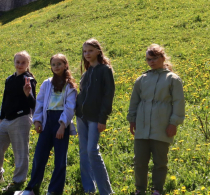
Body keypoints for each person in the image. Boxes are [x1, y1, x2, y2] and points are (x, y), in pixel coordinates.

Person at [127, 44, 185, 195]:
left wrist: (174, 123)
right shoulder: (142, 79)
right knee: (139, 161)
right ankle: (140, 189)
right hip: (142, 126)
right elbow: (134, 102)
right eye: (148, 59)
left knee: (160, 162)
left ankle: (157, 190)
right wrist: (132, 120)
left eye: (154, 58)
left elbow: (178, 103)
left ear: (162, 58)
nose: (151, 62)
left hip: (162, 126)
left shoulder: (173, 79)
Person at [23, 53, 77, 195]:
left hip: (61, 122)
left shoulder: (70, 86)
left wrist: (62, 125)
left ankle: (54, 191)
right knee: (39, 155)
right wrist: (37, 120)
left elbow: (70, 107)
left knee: (60, 159)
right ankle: (31, 187)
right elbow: (40, 103)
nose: (56, 67)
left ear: (65, 65)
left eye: (59, 64)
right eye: (53, 64)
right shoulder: (47, 83)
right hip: (47, 120)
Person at [0, 51, 37, 193]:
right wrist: (2, 116)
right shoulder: (9, 79)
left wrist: (28, 94)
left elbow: (34, 104)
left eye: (23, 62)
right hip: (7, 119)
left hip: (21, 118)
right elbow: (5, 99)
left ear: (28, 64)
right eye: (17, 62)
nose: (20, 65)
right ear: (14, 62)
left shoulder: (28, 80)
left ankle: (18, 181)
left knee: (20, 151)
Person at [75, 38, 115, 195]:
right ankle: (89, 188)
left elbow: (108, 95)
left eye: (90, 51)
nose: (87, 54)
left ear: (98, 51)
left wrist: (102, 118)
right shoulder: (87, 72)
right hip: (81, 116)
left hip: (95, 118)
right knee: (84, 151)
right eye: (85, 51)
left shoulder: (105, 70)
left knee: (92, 151)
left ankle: (106, 191)